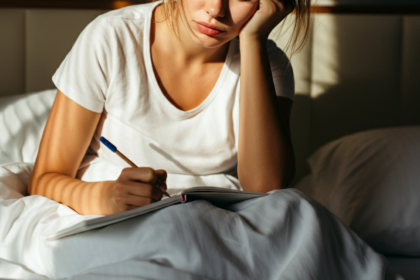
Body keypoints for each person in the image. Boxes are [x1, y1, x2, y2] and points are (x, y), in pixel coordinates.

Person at [28, 0, 311, 216]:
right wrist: (106, 197)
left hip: (212, 222)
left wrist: (253, 40)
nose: (216, 10)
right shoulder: (113, 36)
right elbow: (43, 180)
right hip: (115, 214)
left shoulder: (267, 64)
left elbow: (266, 189)